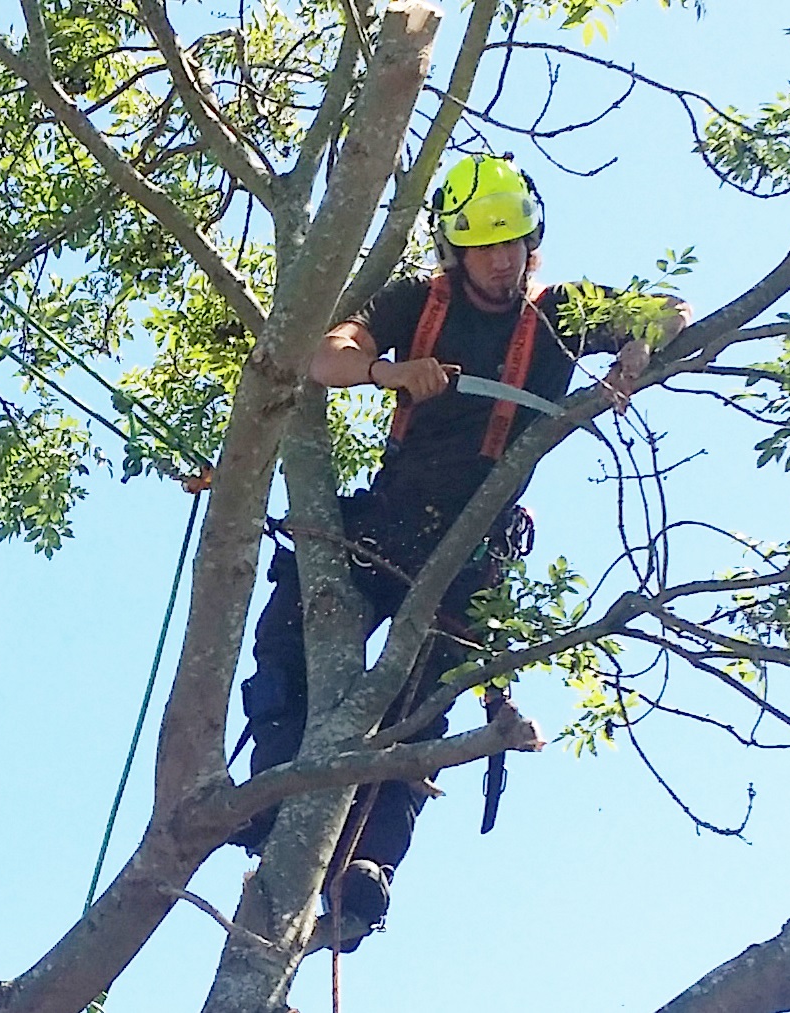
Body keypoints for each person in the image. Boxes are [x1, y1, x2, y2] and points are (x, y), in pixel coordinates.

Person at [230, 153, 691, 950]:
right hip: (391, 517)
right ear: (455, 248)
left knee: (420, 704)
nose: (501, 260)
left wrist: (634, 350)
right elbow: (326, 354)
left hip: (474, 540)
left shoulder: (560, 311)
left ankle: (365, 871)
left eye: (513, 243)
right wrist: (388, 369)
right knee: (292, 633)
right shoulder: (417, 301)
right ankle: (274, 802)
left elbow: (671, 309)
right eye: (484, 246)